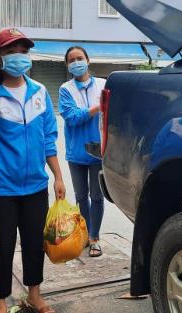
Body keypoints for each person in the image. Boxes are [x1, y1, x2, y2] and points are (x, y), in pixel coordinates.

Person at [0, 28, 66, 313]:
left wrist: (57, 176)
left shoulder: (40, 93)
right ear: (0, 56)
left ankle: (34, 294)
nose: (19, 57)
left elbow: (48, 139)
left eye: (23, 51)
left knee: (35, 244)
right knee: (1, 246)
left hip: (35, 185)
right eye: (11, 52)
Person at [58, 46, 106, 258]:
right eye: (71, 60)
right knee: (80, 196)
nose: (76, 62)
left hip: (98, 151)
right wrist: (97, 108)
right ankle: (84, 235)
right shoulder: (65, 89)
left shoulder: (104, 85)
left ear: (88, 59)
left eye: (79, 58)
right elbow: (72, 118)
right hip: (76, 152)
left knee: (97, 196)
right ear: (67, 65)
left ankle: (94, 238)